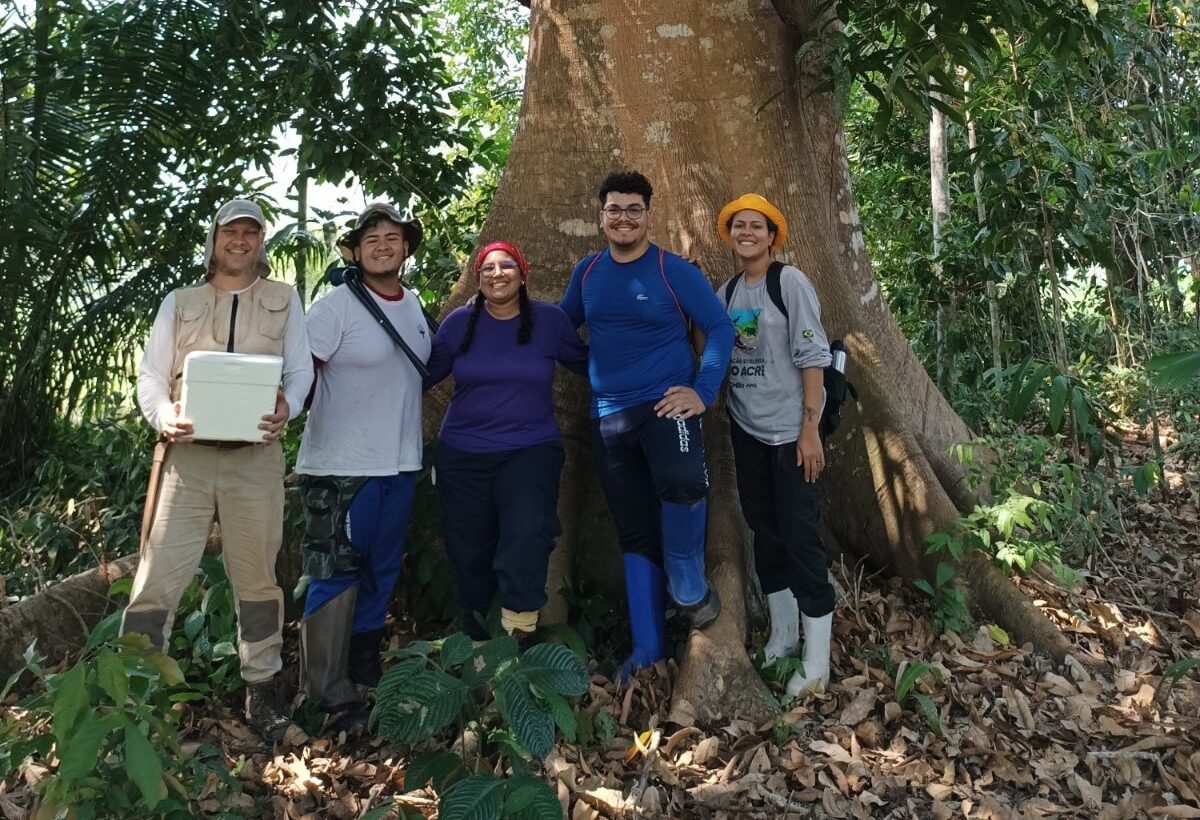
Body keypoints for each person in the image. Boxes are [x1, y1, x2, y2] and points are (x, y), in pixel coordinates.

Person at [124, 198, 313, 742]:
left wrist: (288, 407)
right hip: (187, 460)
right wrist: (164, 416)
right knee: (156, 579)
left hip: (254, 462)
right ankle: (137, 691)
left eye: (251, 232)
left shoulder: (283, 299)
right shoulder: (180, 302)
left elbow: (299, 370)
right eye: (231, 231)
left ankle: (262, 689)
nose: (240, 240)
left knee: (257, 580)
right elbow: (151, 376)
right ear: (214, 240)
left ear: (260, 243)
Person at [560, 171, 735, 678]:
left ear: (648, 216)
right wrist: (588, 364)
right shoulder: (588, 273)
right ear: (601, 216)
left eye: (633, 209)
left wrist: (702, 393)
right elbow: (560, 326)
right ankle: (646, 647)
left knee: (682, 482)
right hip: (608, 417)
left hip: (666, 406)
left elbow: (720, 327)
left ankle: (687, 579)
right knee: (633, 530)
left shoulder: (672, 270)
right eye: (614, 209)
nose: (622, 218)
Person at [296, 203, 431, 717]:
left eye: (392, 237)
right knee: (336, 569)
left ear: (405, 248)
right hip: (344, 465)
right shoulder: (336, 307)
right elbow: (300, 374)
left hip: (400, 460)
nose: (382, 244)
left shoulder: (413, 304)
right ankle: (324, 687)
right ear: (356, 250)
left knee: (383, 564)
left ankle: (364, 663)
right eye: (371, 237)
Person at [425, 241, 587, 642]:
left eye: (507, 265)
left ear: (523, 273)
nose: (498, 273)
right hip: (462, 454)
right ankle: (478, 642)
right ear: (477, 280)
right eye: (488, 268)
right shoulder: (458, 324)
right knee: (469, 550)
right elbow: (421, 376)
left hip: (529, 449)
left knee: (527, 535)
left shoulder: (549, 321)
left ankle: (520, 637)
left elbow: (591, 364)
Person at [715, 193, 835, 697]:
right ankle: (783, 637)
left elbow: (814, 358)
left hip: (792, 434)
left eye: (756, 226)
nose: (746, 233)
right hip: (748, 431)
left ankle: (817, 661)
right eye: (738, 225)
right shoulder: (726, 291)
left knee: (800, 534)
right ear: (730, 234)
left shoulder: (789, 282)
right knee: (765, 530)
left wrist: (810, 429)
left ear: (771, 236)